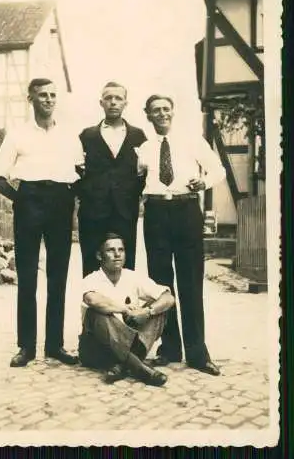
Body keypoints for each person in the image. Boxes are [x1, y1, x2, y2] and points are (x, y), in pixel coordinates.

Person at [0, 78, 81, 367]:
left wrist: (69, 198)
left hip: (60, 203)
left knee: (58, 276)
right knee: (27, 277)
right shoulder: (18, 134)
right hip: (29, 200)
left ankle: (55, 345)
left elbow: (81, 172)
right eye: (43, 95)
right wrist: (21, 200)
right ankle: (26, 346)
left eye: (53, 95)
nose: (49, 99)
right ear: (31, 99)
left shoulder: (69, 135)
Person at [137, 94, 226, 376]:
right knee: (162, 284)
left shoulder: (192, 140)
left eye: (166, 109)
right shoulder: (143, 148)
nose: (162, 114)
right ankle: (170, 348)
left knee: (190, 281)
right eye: (156, 110)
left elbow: (218, 169)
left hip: (186, 210)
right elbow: (136, 178)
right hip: (155, 214)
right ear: (148, 115)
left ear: (173, 112)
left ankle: (198, 353)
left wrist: (204, 181)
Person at [79, 233, 175, 386]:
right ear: (99, 255)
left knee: (159, 307)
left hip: (130, 342)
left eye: (121, 250)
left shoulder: (133, 277)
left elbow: (169, 298)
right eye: (111, 250)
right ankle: (140, 369)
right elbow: (92, 299)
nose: (117, 254)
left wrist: (147, 311)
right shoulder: (91, 279)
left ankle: (122, 365)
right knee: (97, 312)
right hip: (97, 349)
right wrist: (124, 309)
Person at [77, 82, 147, 277]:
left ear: (126, 103)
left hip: (125, 212)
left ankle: (124, 307)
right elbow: (75, 172)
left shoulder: (138, 136)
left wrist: (132, 195)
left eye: (118, 98)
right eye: (108, 98)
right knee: (92, 266)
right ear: (101, 102)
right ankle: (95, 307)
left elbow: (144, 172)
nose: (113, 102)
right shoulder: (87, 135)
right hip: (92, 213)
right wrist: (88, 195)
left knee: (125, 266)